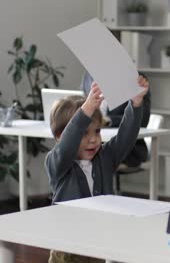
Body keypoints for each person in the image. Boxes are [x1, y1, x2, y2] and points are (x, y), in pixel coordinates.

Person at [45, 76, 148, 263]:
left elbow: (126, 136)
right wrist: (87, 108)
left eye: (97, 131)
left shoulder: (104, 158)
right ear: (60, 136)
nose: (93, 140)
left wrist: (136, 103)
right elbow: (68, 144)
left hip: (97, 243)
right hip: (67, 248)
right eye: (84, 134)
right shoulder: (57, 163)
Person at [80, 72, 151, 168]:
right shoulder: (88, 76)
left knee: (94, 158)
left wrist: (108, 120)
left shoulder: (135, 78)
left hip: (129, 148)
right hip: (93, 143)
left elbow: (142, 120)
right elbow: (82, 105)